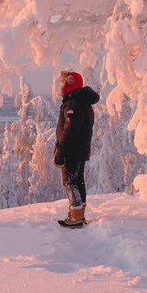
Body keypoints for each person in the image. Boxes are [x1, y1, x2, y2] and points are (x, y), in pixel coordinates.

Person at [53, 70, 99, 228]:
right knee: (78, 181)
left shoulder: (73, 103)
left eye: (64, 82)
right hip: (81, 149)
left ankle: (76, 218)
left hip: (71, 150)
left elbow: (70, 129)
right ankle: (78, 215)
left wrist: (60, 148)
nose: (62, 85)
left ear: (70, 83)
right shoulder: (82, 101)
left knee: (69, 182)